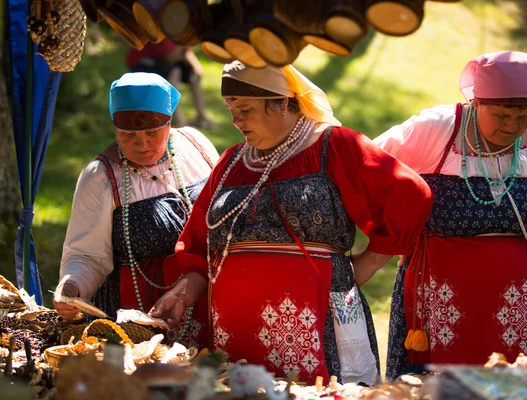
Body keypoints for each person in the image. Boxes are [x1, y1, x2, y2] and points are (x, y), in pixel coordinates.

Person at [150, 61, 433, 384]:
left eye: (245, 108)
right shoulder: (231, 163)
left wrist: (368, 262)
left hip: (316, 320)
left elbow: (410, 194)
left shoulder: (335, 146)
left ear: (283, 101)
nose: (235, 119)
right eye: (231, 109)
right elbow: (201, 248)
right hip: (239, 328)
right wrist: (182, 295)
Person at [374, 51, 527, 380]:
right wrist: (395, 234)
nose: (511, 126)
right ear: (477, 103)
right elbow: (366, 168)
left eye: (523, 115)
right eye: (500, 115)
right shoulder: (439, 128)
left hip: (524, 306)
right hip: (442, 301)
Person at [53, 72, 220, 348]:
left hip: (205, 302)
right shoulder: (102, 176)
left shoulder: (195, 146)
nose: (141, 144)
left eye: (152, 133)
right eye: (128, 135)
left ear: (169, 122)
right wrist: (72, 287)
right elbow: (86, 255)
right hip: (136, 321)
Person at [127, 39, 211, 129]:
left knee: (193, 74)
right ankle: (179, 120)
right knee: (175, 72)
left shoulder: (180, 31)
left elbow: (185, 52)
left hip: (164, 60)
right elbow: (170, 57)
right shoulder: (165, 29)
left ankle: (201, 117)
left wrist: (195, 67)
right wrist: (186, 43)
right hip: (143, 63)